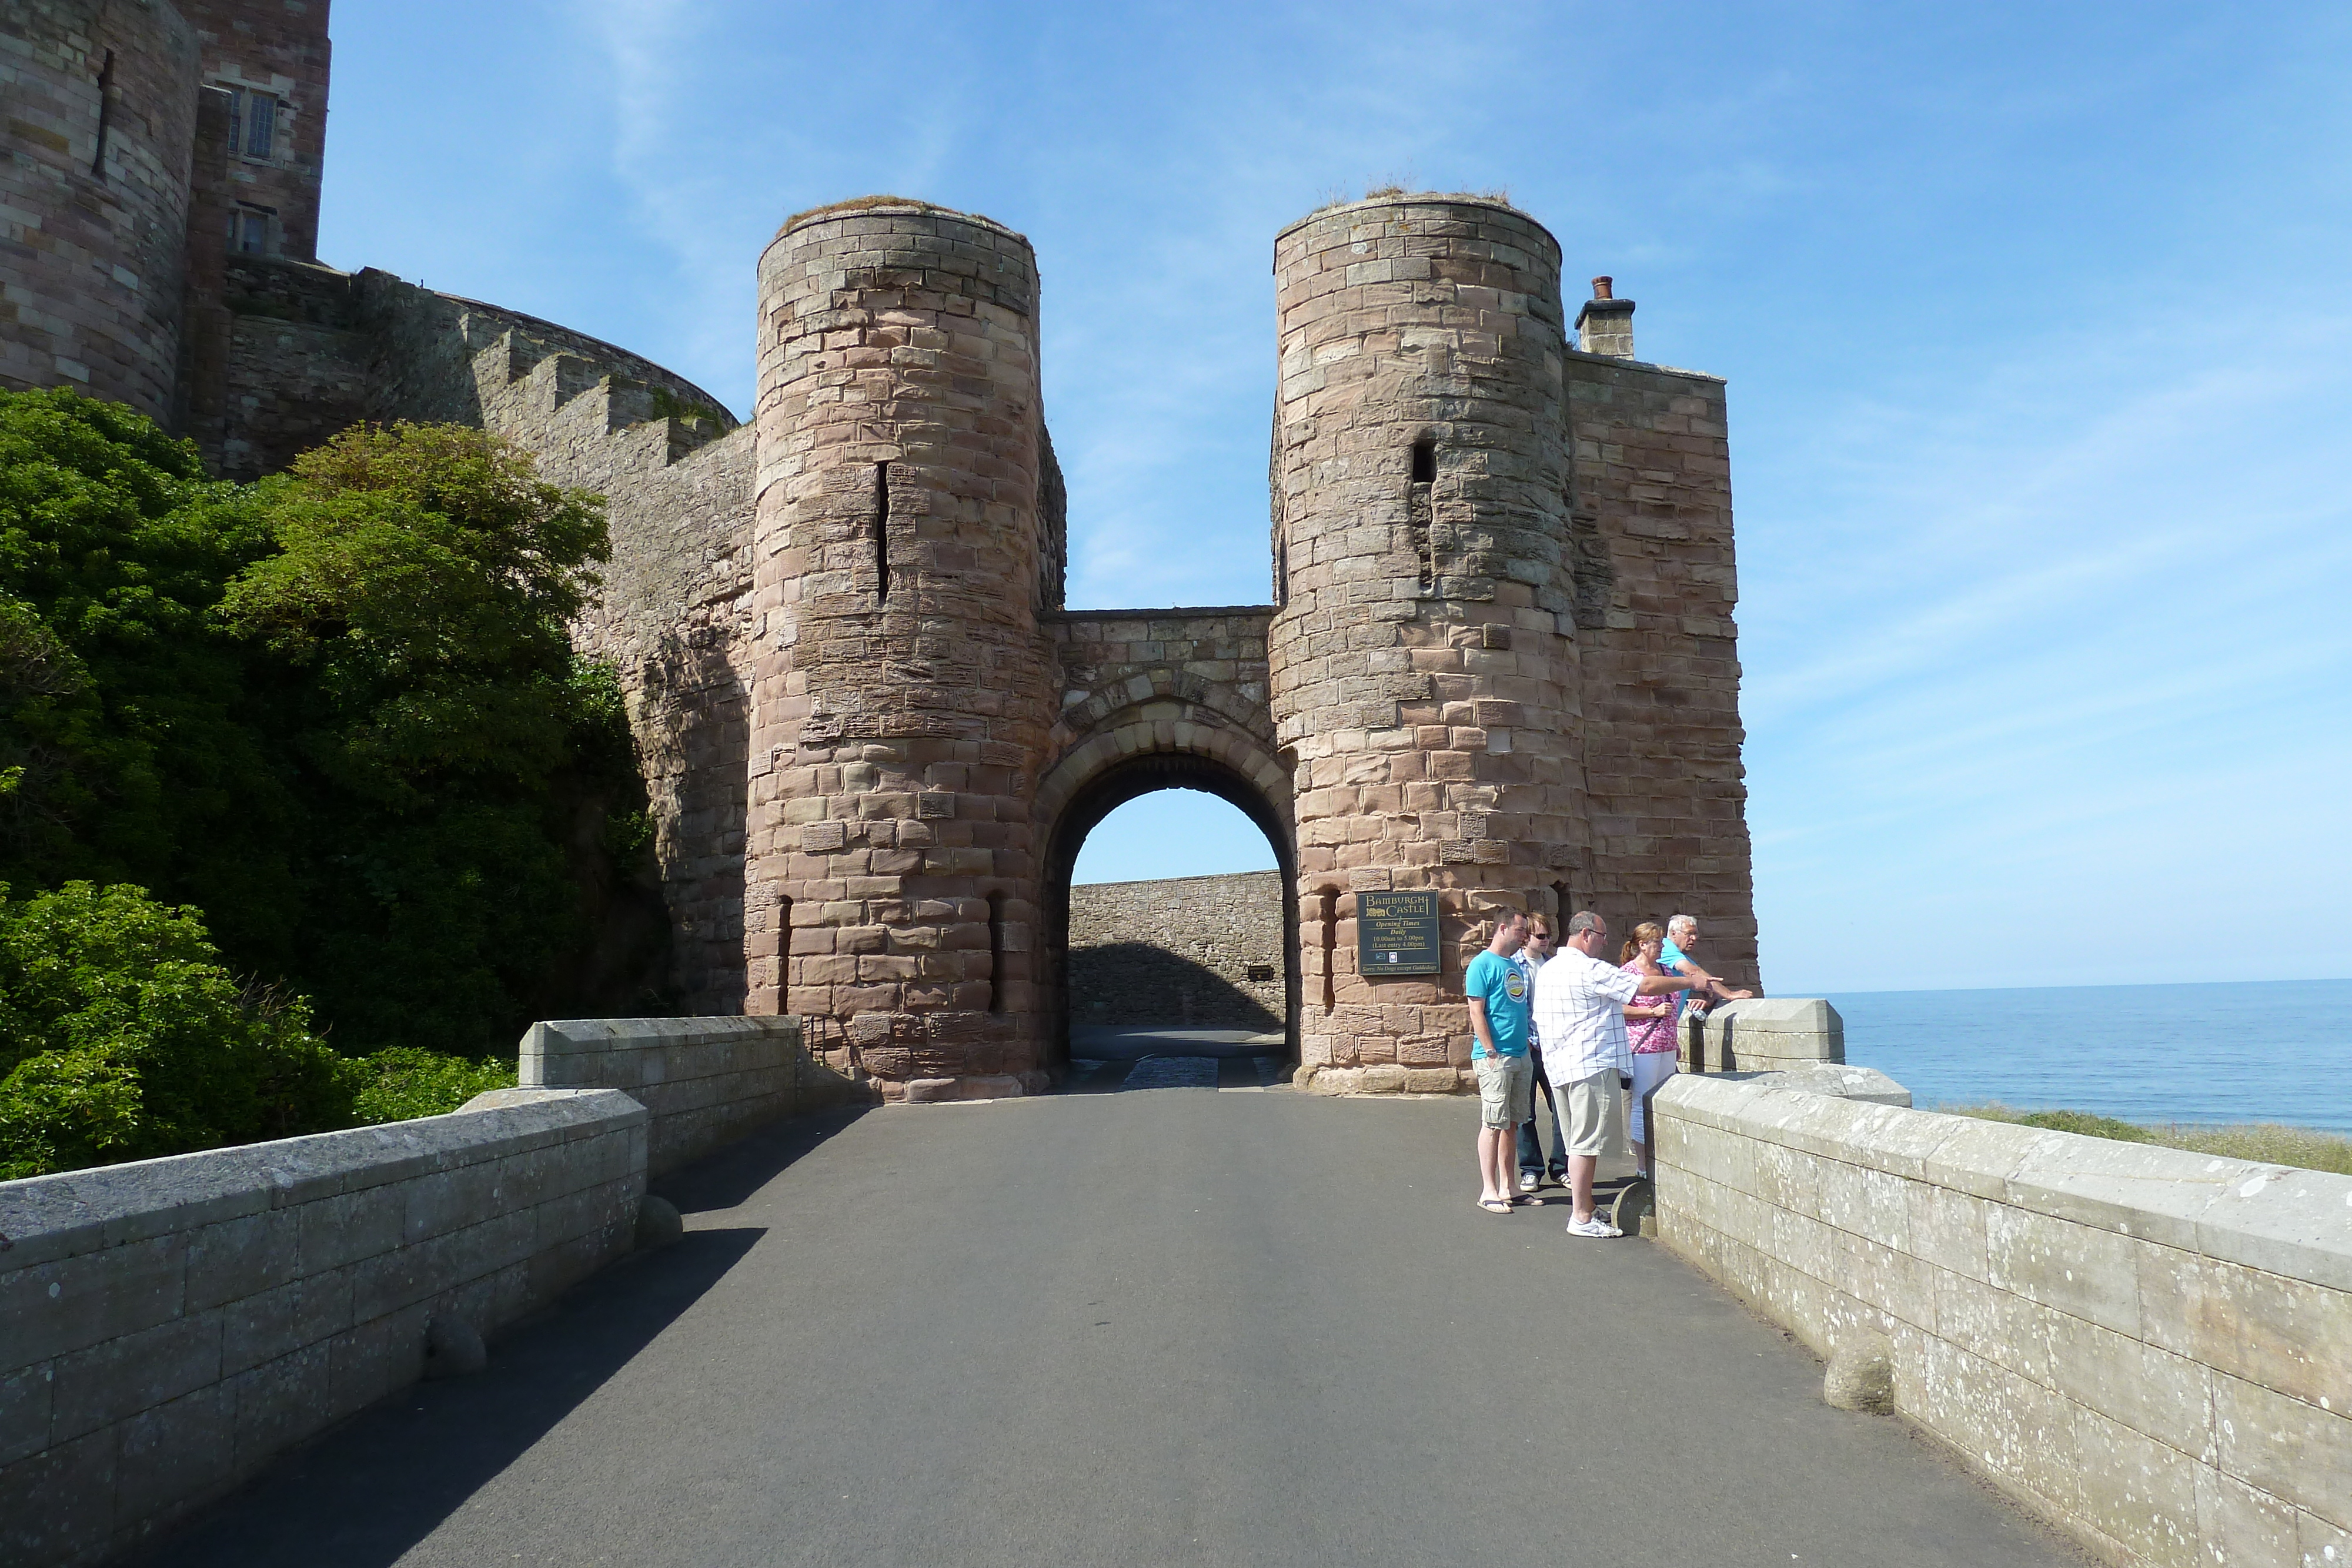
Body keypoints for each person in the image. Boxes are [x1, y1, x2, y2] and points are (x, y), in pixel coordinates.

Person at [1532, 911, 1703, 1236]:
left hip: (1560, 1065)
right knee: (1587, 1144)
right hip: (1589, 1064)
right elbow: (1646, 984)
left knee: (1576, 1143)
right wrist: (1691, 981)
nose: (1606, 942)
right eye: (1602, 935)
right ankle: (1581, 1217)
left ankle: (1586, 1205)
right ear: (1586, 935)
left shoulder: (1550, 968)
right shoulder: (1587, 967)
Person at [1464, 909, 1532, 1215]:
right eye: (1520, 930)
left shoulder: (1513, 965)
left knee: (1513, 1122)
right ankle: (1488, 1190)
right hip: (1497, 1057)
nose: (1525, 936)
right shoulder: (1482, 964)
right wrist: (1491, 1051)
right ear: (1502, 928)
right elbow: (1476, 1012)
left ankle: (1509, 1187)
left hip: (1520, 1053)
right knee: (1493, 1122)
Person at [1620, 923, 1682, 1179]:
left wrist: (1676, 1043)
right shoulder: (1628, 973)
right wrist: (1651, 1012)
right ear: (1642, 945)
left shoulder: (1666, 970)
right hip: (1642, 1048)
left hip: (1667, 1046)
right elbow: (1619, 1009)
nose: (1661, 947)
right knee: (1642, 1103)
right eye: (1656, 942)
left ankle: (1662, 1159)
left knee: (1664, 1103)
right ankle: (1643, 1165)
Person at [1514, 913, 1567, 1192]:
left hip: (1554, 1047)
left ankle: (1561, 1167)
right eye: (1541, 936)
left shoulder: (1554, 966)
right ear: (1527, 938)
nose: (1547, 942)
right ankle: (1530, 1169)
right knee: (1526, 1113)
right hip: (1527, 1047)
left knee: (1562, 1109)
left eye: (1549, 936)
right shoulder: (1513, 966)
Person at [1661, 914, 1753, 1017]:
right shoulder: (1665, 948)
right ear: (1674, 934)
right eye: (1689, 934)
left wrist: (1708, 1000)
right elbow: (1694, 972)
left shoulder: (1685, 959)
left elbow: (1708, 986)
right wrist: (1729, 994)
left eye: (1696, 934)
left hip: (1669, 1026)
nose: (1694, 938)